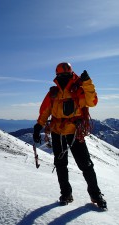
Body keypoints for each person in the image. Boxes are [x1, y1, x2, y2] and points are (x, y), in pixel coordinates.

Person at [33, 62, 107, 208]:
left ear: (70, 75)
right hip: (58, 132)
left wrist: (87, 83)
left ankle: (95, 194)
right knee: (62, 165)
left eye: (64, 75)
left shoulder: (79, 89)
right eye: (60, 75)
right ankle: (67, 194)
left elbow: (92, 102)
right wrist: (38, 126)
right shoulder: (53, 92)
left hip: (73, 131)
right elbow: (45, 111)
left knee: (85, 164)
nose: (62, 78)